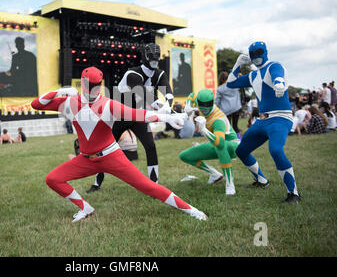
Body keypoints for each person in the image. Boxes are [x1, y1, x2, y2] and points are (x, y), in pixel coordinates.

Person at [31, 66, 207, 222]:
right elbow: (36, 104)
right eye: (90, 85)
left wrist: (169, 117)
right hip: (86, 159)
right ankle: (85, 208)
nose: (93, 89)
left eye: (95, 85)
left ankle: (192, 211)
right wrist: (60, 91)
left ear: (99, 85)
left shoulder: (108, 104)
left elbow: (141, 115)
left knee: (148, 186)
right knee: (53, 179)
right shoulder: (69, 102)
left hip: (111, 156)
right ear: (84, 84)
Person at [87, 43, 174, 193]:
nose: (154, 59)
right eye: (152, 56)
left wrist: (169, 106)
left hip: (137, 115)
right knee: (104, 149)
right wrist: (166, 110)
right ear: (145, 57)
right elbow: (145, 95)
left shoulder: (159, 74)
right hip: (118, 117)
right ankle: (96, 183)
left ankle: (155, 185)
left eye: (156, 56)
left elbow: (169, 94)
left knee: (150, 146)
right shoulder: (132, 74)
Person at [226, 41, 301, 203]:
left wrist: (279, 84)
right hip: (262, 120)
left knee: (275, 150)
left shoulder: (274, 65)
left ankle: (293, 193)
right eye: (252, 54)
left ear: (265, 52)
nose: (255, 56)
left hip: (280, 118)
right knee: (241, 151)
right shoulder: (253, 75)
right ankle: (261, 180)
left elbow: (278, 75)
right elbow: (230, 83)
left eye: (259, 52)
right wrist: (237, 64)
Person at [179, 89, 240, 195]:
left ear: (213, 102)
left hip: (233, 146)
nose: (205, 107)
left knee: (220, 147)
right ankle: (215, 175)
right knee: (185, 155)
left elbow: (220, 143)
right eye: (202, 104)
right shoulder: (200, 102)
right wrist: (188, 105)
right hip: (215, 143)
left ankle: (230, 184)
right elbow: (192, 94)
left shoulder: (218, 119)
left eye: (208, 104)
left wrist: (203, 130)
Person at [216, 71, 242, 139]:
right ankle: (239, 140)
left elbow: (217, 101)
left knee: (228, 128)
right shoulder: (234, 85)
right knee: (235, 126)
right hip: (236, 108)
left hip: (226, 110)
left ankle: (230, 141)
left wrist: (215, 108)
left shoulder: (219, 89)